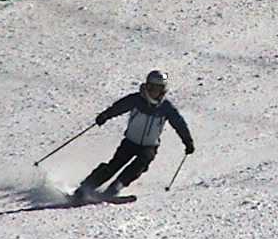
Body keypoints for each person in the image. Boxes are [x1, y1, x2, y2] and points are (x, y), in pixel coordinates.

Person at [71, 70, 195, 201]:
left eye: (158, 88)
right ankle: (84, 188)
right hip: (130, 142)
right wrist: (106, 115)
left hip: (149, 145)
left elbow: (179, 124)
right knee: (114, 165)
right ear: (147, 86)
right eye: (152, 87)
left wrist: (188, 142)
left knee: (140, 164)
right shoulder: (137, 100)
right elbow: (119, 107)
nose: (154, 91)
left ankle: (114, 188)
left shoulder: (165, 107)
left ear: (163, 90)